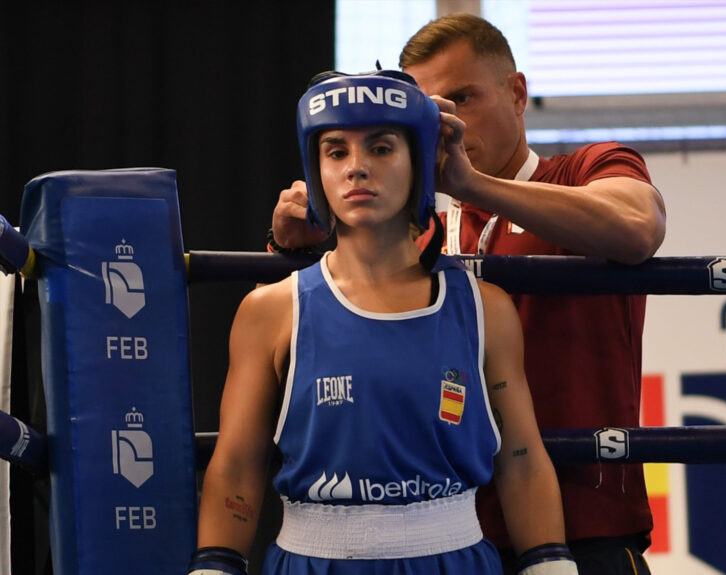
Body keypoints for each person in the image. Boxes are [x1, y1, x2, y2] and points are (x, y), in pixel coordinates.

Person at [269, 14, 666, 575]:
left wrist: (469, 182)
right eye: (429, 111)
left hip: (585, 522)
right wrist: (294, 238)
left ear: (517, 92)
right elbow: (303, 332)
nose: (446, 122)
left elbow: (636, 227)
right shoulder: (406, 223)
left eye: (463, 98)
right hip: (444, 534)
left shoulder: (584, 169)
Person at [191, 70, 577, 575]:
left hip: (455, 558)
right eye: (336, 151)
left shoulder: (486, 309)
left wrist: (548, 564)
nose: (356, 169)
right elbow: (238, 463)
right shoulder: (271, 310)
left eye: (380, 149)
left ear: (418, 160)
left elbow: (520, 459)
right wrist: (215, 566)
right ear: (316, 169)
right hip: (312, 560)